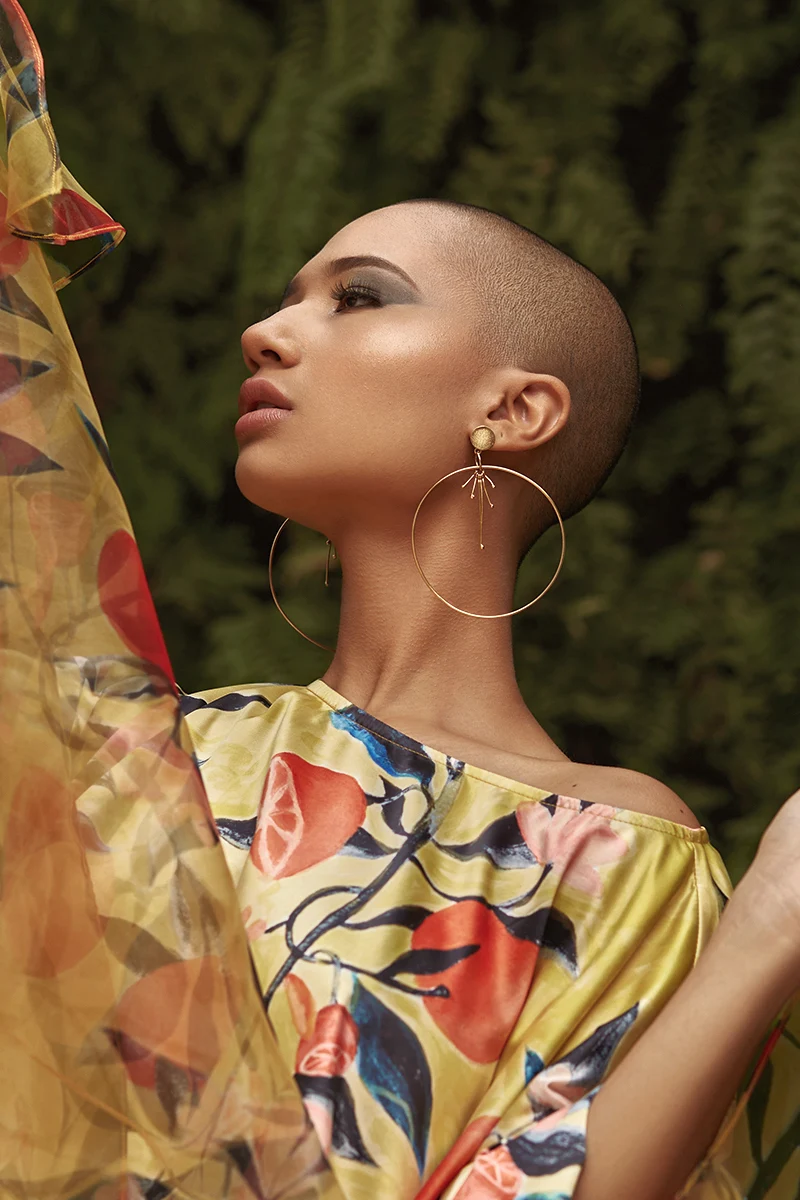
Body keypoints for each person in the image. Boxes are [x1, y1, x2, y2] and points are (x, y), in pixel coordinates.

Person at [0, 2, 796, 1198]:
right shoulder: (142, 764)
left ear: (515, 410)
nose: (263, 332)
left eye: (356, 297)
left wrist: (767, 937)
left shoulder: (620, 857)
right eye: (288, 298)